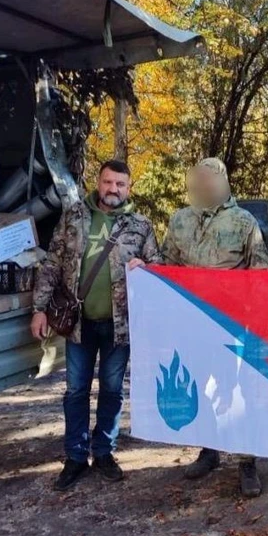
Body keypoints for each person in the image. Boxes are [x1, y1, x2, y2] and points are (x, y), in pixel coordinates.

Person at [31, 159, 160, 492]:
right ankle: (75, 456)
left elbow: (159, 268)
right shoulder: (74, 217)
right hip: (79, 324)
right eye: (107, 182)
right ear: (98, 182)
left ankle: (104, 452)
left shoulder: (141, 225)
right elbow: (52, 263)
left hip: (120, 326)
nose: (112, 189)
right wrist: (39, 308)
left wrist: (145, 266)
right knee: (76, 391)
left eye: (120, 184)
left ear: (129, 188)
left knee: (113, 391)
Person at [161, 157, 268, 497]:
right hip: (193, 324)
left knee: (239, 394)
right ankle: (209, 450)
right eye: (200, 181)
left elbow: (260, 271)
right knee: (201, 387)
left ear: (223, 182)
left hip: (232, 326)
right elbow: (167, 265)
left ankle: (247, 462)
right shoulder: (179, 220)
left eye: (212, 181)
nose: (205, 187)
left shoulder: (243, 221)